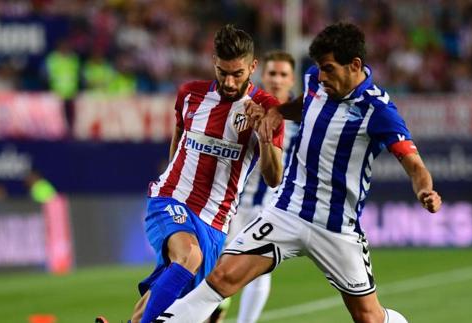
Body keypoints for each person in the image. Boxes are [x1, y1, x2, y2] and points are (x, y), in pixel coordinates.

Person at [156, 22, 442, 323]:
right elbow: (305, 105)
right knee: (221, 279)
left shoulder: (379, 111)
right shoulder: (315, 81)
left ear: (355, 65)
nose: (322, 76)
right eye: (319, 68)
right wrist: (278, 111)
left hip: (336, 229)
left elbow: (414, 164)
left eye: (329, 69)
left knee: (368, 317)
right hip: (287, 212)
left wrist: (425, 190)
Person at [99, 24, 285, 323]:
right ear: (214, 61)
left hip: (215, 223)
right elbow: (177, 145)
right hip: (170, 200)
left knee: (177, 295)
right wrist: (170, 186)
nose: (228, 80)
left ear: (253, 66)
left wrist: (264, 133)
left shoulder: (267, 108)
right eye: (223, 71)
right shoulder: (190, 94)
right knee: (190, 257)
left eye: (237, 73)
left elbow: (274, 177)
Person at [211, 50, 299, 323]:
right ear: (263, 74)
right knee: (218, 265)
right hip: (234, 204)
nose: (277, 79)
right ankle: (214, 310)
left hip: (271, 207)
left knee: (259, 269)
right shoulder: (248, 107)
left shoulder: (301, 119)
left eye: (283, 74)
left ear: (292, 79)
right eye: (272, 73)